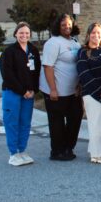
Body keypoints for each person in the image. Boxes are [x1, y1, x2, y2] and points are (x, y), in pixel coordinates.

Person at [39, 13, 82, 161]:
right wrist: (52, 89)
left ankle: (68, 148)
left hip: (73, 91)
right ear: (58, 26)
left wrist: (78, 85)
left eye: (69, 24)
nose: (67, 27)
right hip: (56, 92)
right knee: (56, 122)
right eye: (63, 24)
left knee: (75, 118)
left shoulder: (75, 43)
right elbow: (48, 66)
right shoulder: (53, 42)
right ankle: (57, 151)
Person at [0, 22, 41, 166]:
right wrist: (22, 91)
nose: (24, 35)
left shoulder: (33, 51)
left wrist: (32, 90)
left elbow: (36, 72)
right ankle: (13, 153)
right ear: (15, 34)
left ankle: (22, 150)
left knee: (25, 123)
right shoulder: (9, 52)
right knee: (12, 123)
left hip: (28, 95)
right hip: (12, 93)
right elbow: (7, 74)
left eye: (27, 33)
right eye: (21, 33)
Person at [77, 23, 101, 164]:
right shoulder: (83, 52)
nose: (96, 35)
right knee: (97, 124)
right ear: (88, 34)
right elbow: (84, 74)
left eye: (98, 33)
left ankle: (100, 150)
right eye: (93, 33)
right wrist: (99, 91)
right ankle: (97, 154)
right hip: (91, 94)